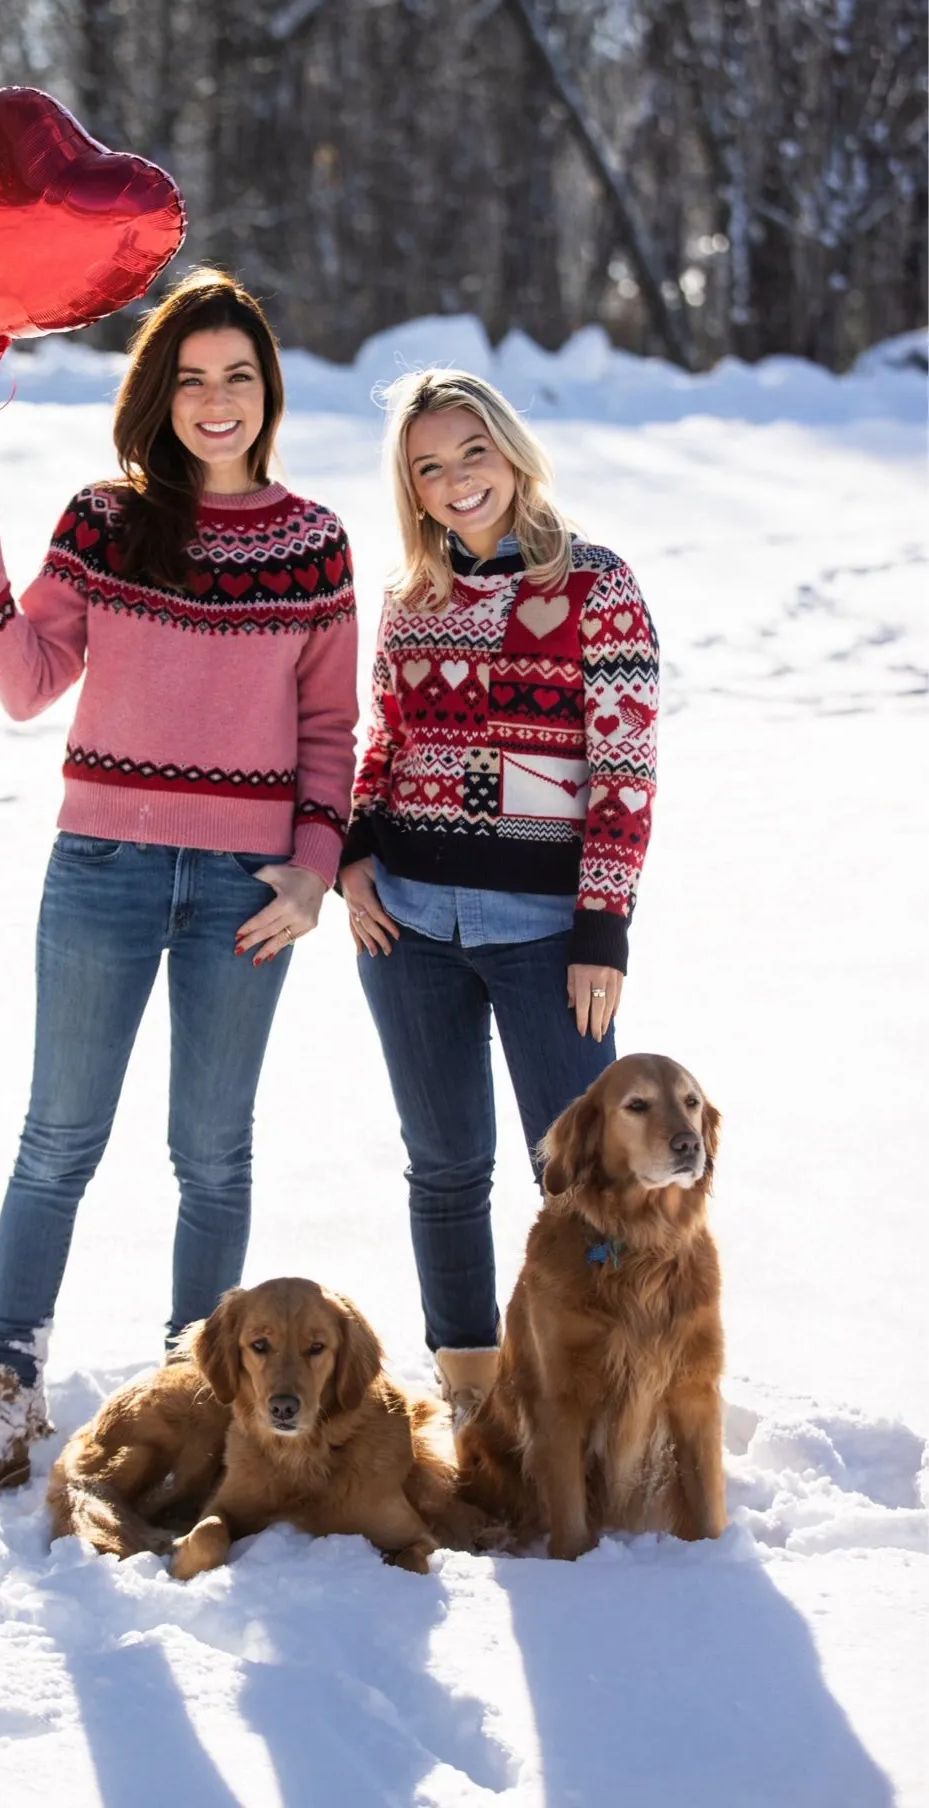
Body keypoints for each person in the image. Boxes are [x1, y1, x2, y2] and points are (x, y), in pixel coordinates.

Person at [0, 269, 358, 1496]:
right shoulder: (106, 522)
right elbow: (27, 682)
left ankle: (195, 1395)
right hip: (102, 871)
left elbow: (331, 729)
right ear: (157, 396)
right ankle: (5, 1388)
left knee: (211, 1153)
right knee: (56, 1139)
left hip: (245, 888)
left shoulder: (312, 542)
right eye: (190, 378)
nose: (215, 401)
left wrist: (313, 872)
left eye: (237, 375)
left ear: (266, 391)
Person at [339, 368, 658, 1425]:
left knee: (585, 1178)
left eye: (470, 451)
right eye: (427, 466)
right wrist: (352, 854)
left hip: (544, 936)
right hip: (409, 923)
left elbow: (623, 769)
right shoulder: (409, 600)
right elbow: (383, 743)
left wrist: (601, 929)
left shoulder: (595, 586)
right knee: (442, 1167)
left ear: (511, 450)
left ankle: (609, 1389)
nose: (454, 479)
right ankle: (472, 1395)